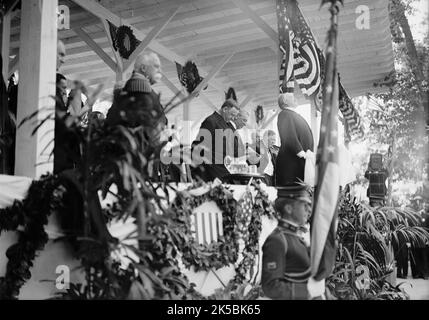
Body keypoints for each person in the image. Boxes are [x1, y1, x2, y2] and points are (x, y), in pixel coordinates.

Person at [261, 185, 313, 299]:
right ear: (289, 209)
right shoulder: (277, 240)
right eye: (304, 205)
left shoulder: (295, 237)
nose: (309, 209)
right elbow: (271, 286)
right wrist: (308, 292)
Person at [191, 99, 240, 182]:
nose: (233, 118)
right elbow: (199, 146)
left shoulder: (229, 125)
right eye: (232, 115)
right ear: (225, 109)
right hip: (213, 172)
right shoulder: (211, 121)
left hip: (226, 171)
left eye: (234, 116)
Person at [276, 93, 314, 186]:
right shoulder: (284, 114)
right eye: (292, 97)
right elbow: (289, 135)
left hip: (298, 161)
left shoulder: (292, 114)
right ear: (285, 102)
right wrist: (301, 152)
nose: (296, 98)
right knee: (291, 193)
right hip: (291, 163)